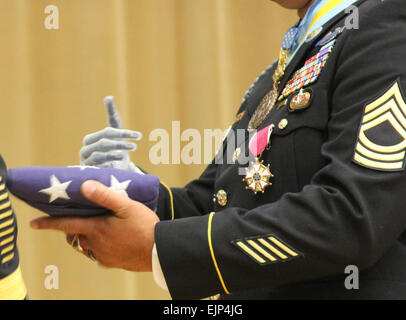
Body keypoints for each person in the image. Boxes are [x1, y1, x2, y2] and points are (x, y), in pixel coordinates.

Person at [31, 0, 406, 299]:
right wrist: (131, 190)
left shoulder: (383, 27)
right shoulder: (278, 72)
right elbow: (215, 201)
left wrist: (158, 247)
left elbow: (352, 218)